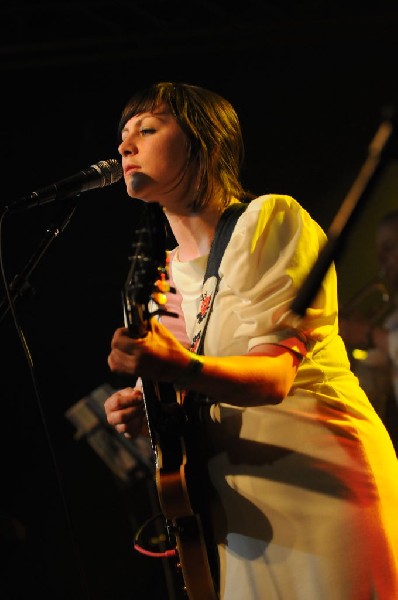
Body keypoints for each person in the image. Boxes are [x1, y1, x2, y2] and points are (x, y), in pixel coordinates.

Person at [104, 81, 398, 600]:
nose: (126, 146)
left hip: (322, 480)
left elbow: (273, 377)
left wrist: (175, 368)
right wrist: (151, 414)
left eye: (147, 129)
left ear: (204, 142)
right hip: (239, 510)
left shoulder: (270, 219)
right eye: (123, 135)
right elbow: (193, 402)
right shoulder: (161, 279)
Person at [339, 209, 398, 452]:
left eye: (390, 246)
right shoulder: (393, 320)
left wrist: (368, 334)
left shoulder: (385, 332)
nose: (380, 257)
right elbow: (369, 389)